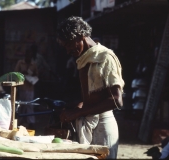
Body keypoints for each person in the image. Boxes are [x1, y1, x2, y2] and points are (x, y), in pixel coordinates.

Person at [57, 16, 125, 159]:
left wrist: (78, 113)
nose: (68, 50)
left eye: (69, 44)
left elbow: (116, 100)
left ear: (80, 35)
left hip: (103, 126)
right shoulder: (84, 59)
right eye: (65, 47)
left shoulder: (105, 57)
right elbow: (91, 97)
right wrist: (77, 108)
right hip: (89, 123)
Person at [14, 47, 39, 129]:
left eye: (30, 56)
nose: (28, 57)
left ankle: (31, 122)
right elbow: (15, 73)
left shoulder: (33, 64)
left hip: (30, 88)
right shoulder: (20, 63)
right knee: (21, 105)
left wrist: (32, 76)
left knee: (30, 105)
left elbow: (37, 75)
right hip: (22, 88)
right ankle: (20, 121)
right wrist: (22, 73)